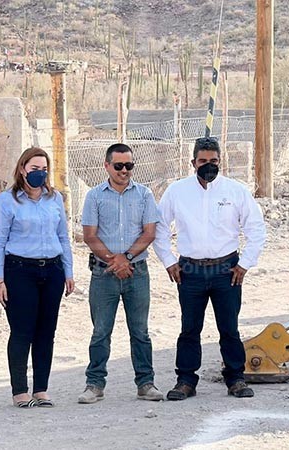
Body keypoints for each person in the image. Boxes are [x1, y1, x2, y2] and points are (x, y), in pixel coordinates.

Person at [152, 136, 267, 400]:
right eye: (203, 161)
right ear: (192, 162)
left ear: (220, 162)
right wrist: (169, 261)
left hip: (227, 271)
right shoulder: (177, 191)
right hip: (189, 271)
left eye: (213, 161)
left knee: (229, 328)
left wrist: (245, 264)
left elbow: (256, 229)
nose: (208, 165)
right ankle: (186, 381)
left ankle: (236, 379)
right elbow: (159, 228)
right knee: (190, 329)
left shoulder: (235, 191)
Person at [77, 143, 164, 404]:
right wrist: (113, 261)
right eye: (118, 166)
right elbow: (89, 236)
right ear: (107, 166)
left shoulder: (145, 195)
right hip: (104, 274)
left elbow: (149, 232)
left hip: (136, 272)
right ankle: (94, 384)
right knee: (101, 331)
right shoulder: (94, 196)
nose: (124, 171)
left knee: (140, 331)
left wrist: (125, 258)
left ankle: (146, 383)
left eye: (129, 166)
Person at [0, 147, 74, 408]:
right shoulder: (7, 200)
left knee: (46, 331)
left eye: (44, 169)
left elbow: (63, 236)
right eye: (34, 169)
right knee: (22, 331)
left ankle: (41, 388)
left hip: (52, 270)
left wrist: (68, 272)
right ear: (22, 169)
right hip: (19, 271)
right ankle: (19, 391)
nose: (40, 174)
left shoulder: (54, 198)